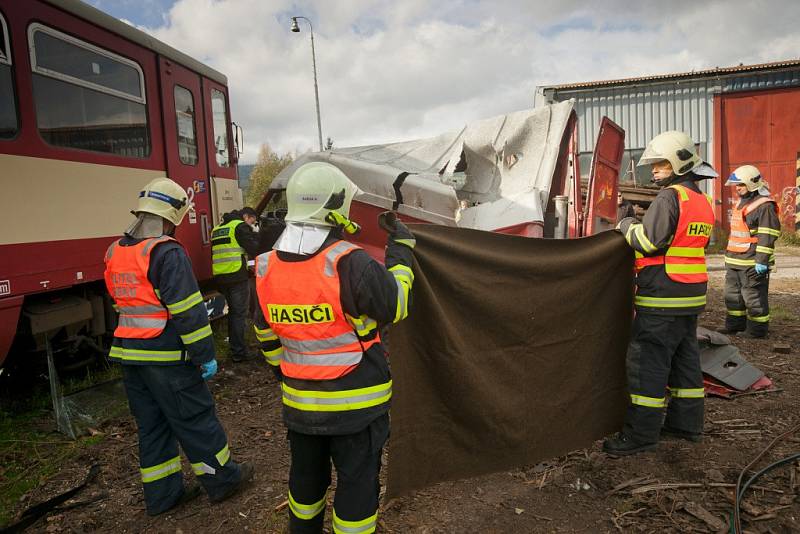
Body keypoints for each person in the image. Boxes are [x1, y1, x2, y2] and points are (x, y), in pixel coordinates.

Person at [252, 162, 415, 533]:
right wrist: (401, 251)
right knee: (357, 486)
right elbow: (397, 305)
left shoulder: (264, 269)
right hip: (357, 408)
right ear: (336, 206)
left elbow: (266, 337)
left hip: (300, 407)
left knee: (305, 484)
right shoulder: (351, 263)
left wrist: (288, 373)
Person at [104, 178, 253, 515]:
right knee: (196, 419)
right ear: (173, 215)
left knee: (153, 427)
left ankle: (162, 496)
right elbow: (189, 313)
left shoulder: (116, 251)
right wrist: (204, 356)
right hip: (167, 357)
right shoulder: (166, 252)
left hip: (130, 357)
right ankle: (224, 480)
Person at [603, 131, 717, 456]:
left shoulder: (669, 198)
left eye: (661, 164)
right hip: (691, 296)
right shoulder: (702, 201)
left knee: (648, 366)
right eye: (654, 164)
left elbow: (650, 242)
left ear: (679, 164)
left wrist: (625, 225)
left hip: (662, 297)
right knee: (685, 362)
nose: (654, 170)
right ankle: (686, 425)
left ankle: (641, 435)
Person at [720, 165, 780, 338]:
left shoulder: (764, 206)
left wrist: (762, 261)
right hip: (734, 261)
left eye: (741, 185)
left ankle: (757, 331)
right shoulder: (742, 202)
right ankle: (734, 326)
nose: (737, 188)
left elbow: (768, 235)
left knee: (753, 297)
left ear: (752, 184)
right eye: (736, 185)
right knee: (733, 296)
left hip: (752, 263)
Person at [211, 207, 261, 362]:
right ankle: (238, 352)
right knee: (239, 314)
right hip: (236, 276)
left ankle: (235, 347)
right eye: (252, 221)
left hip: (220, 277)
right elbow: (254, 247)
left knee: (233, 313)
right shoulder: (240, 226)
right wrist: (256, 233)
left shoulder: (217, 229)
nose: (252, 224)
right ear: (246, 216)